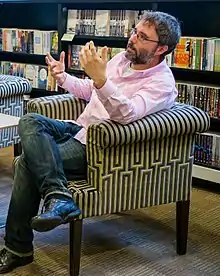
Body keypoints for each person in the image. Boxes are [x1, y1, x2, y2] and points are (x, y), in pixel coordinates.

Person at [0, 10, 181, 274]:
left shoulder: (161, 84)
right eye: (135, 31)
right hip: (78, 128)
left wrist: (101, 78)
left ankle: (18, 249)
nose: (132, 39)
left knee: (27, 163)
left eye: (143, 37)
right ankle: (60, 196)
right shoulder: (123, 59)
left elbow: (127, 114)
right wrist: (62, 76)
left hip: (100, 147)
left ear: (162, 49)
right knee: (30, 120)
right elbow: (89, 91)